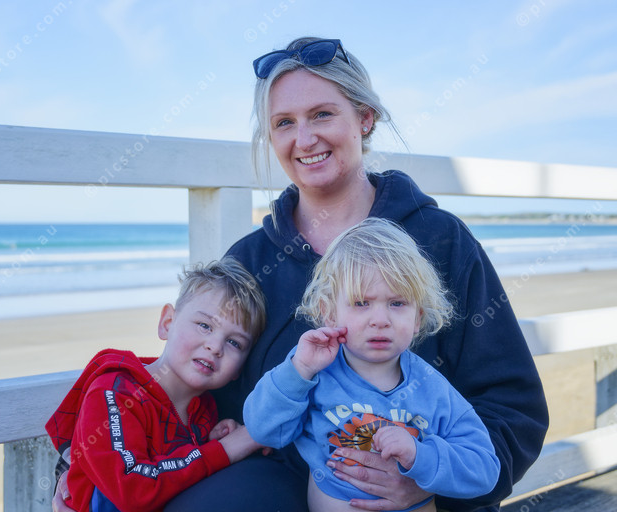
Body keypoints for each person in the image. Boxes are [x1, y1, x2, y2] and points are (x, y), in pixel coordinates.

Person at [54, 36, 548, 512]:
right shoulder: (251, 260)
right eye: (284, 123)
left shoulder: (439, 240)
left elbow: (513, 406)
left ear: (365, 118)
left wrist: (425, 485)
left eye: (322, 114)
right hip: (279, 476)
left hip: (421, 489)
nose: (304, 139)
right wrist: (83, 462)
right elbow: (188, 375)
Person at [243, 218, 501, 511]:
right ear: (330, 314)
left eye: (397, 303)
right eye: (361, 303)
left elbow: (484, 470)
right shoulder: (314, 372)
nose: (380, 320)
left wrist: (420, 456)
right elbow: (264, 431)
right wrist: (298, 371)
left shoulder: (432, 389)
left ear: (418, 318)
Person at [46, 257, 267, 512]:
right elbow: (132, 489)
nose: (215, 346)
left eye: (234, 342)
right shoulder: (115, 392)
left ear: (241, 368)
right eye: (205, 325)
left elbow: (179, 476)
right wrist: (228, 447)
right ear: (167, 323)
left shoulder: (205, 411)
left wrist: (210, 443)